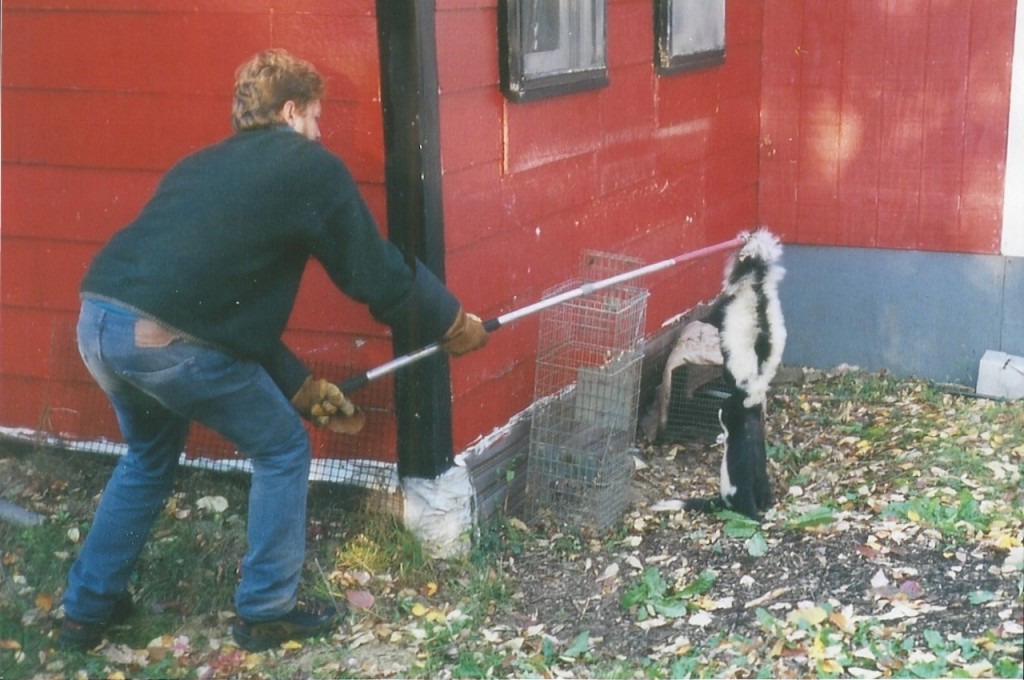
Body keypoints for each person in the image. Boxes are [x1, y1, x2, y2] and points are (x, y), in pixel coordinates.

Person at [59, 49, 488, 652]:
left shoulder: (199, 166)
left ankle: (85, 611)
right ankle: (265, 610)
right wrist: (449, 320)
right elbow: (372, 272)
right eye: (315, 117)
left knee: (147, 459)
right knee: (283, 448)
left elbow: (223, 307)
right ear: (290, 112)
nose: (318, 132)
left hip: (99, 323)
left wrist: (300, 385)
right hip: (166, 340)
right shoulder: (306, 167)